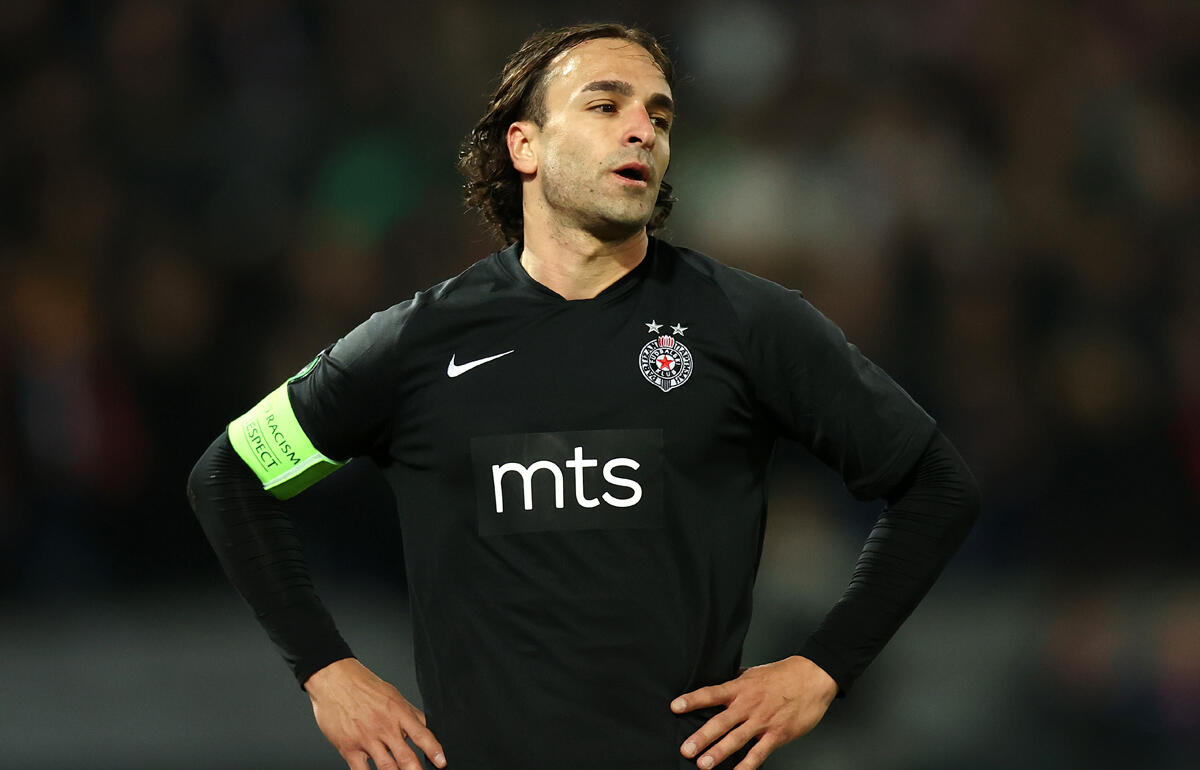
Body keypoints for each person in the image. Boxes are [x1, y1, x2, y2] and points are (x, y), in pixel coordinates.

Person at [187, 22, 979, 770]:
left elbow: (936, 486)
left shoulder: (746, 323)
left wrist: (822, 666)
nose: (643, 131)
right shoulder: (417, 343)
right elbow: (231, 476)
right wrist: (327, 671)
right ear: (524, 145)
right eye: (606, 106)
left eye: (659, 117)